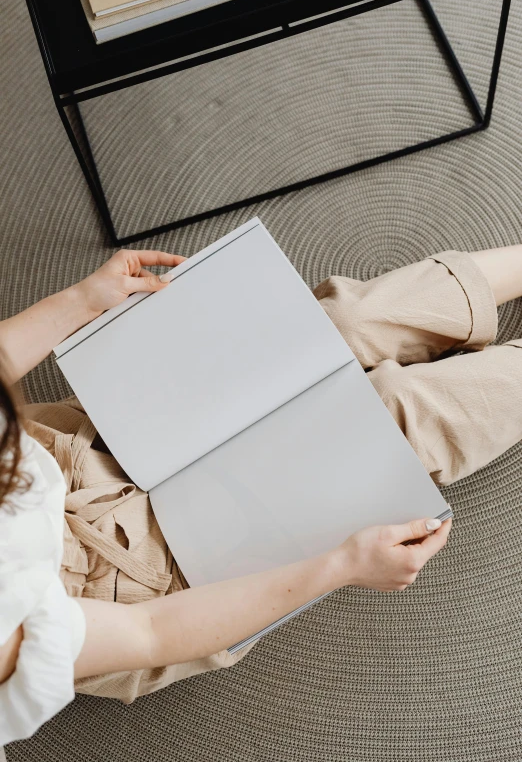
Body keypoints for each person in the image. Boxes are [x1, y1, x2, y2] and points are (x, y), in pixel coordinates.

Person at [1, 241, 521, 746]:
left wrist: (83, 300)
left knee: (329, 330)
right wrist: (341, 567)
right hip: (125, 587)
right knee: (392, 417)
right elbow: (149, 632)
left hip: (64, 448)